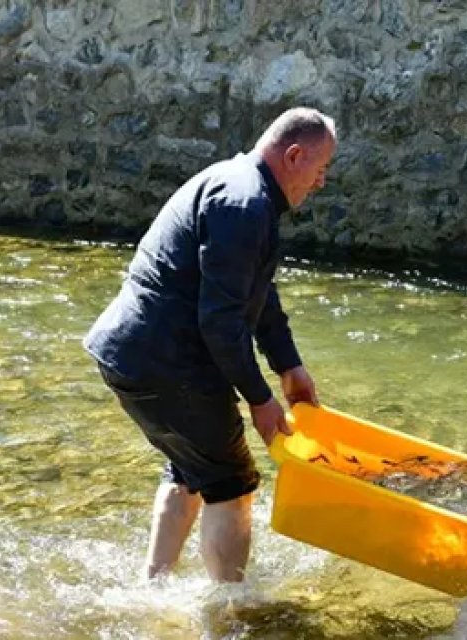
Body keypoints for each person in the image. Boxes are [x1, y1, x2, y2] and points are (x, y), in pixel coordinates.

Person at [83, 107, 337, 582]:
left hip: (132, 355)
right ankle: (228, 615)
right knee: (232, 483)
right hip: (165, 362)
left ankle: (154, 586)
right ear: (295, 155)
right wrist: (260, 399)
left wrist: (289, 367)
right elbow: (221, 322)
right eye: (320, 170)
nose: (320, 183)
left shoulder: (240, 186)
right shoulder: (246, 203)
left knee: (191, 467)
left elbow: (257, 295)